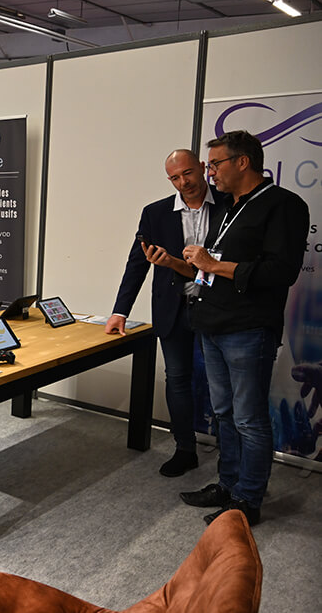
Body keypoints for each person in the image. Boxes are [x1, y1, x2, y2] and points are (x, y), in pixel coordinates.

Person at [180, 130, 309, 526]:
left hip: (249, 329)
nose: (210, 173)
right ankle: (228, 483)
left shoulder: (284, 205)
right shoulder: (226, 207)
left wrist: (213, 264)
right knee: (223, 413)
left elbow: (280, 272)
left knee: (249, 419)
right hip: (212, 324)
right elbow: (213, 266)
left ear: (242, 162)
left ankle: (247, 500)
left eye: (215, 164)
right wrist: (192, 266)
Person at [106, 150, 223, 477]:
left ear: (203, 168)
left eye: (188, 173)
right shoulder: (155, 213)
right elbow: (137, 264)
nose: (183, 182)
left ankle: (231, 456)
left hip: (219, 309)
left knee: (223, 383)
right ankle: (185, 449)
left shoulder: (230, 204)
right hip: (174, 309)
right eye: (175, 178)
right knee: (178, 379)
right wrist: (120, 311)